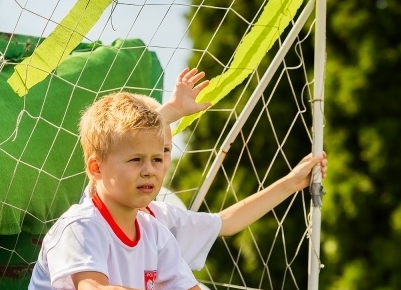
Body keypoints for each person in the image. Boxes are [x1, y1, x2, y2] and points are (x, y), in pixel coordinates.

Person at [82, 67, 329, 271]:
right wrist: (169, 112)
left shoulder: (161, 218)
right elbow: (120, 143)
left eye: (163, 153)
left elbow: (226, 222)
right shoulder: (92, 213)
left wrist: (291, 183)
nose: (151, 167)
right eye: (137, 158)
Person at [22, 91, 218, 290]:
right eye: (136, 160)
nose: (149, 171)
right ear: (96, 168)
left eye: (157, 159)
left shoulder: (156, 233)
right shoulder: (81, 225)